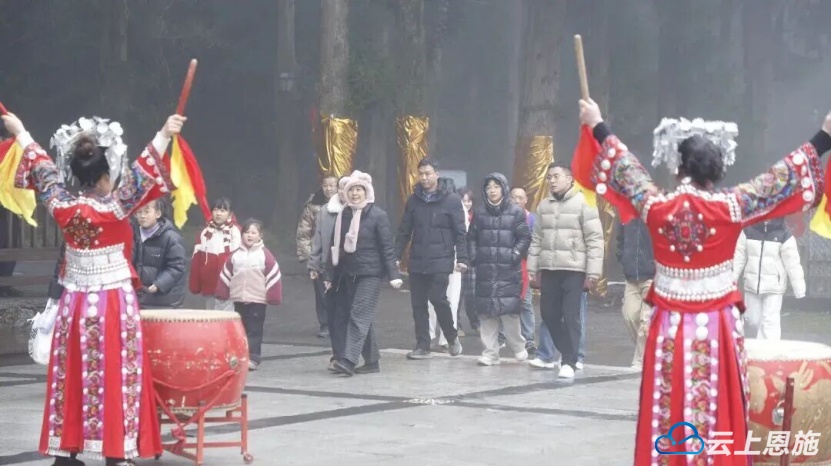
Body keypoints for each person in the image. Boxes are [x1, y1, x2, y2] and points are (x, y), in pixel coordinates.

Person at [577, 98, 831, 463]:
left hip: (669, 327)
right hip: (716, 328)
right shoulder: (731, 206)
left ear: (678, 168)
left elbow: (625, 167)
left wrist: (598, 123)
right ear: (716, 170)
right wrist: (824, 136)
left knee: (669, 403)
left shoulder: (656, 207)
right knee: (717, 403)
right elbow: (781, 176)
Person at [3, 111, 186, 465]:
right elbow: (146, 167)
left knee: (72, 375)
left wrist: (20, 131)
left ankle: (66, 451)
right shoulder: (118, 206)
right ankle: (116, 452)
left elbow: (42, 168)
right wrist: (165, 131)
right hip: (114, 303)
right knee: (116, 374)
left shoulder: (62, 205)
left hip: (75, 304)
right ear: (106, 175)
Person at [527, 161, 604, 379]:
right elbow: (537, 239)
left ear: (569, 179)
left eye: (556, 176)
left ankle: (569, 361)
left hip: (574, 270)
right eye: (549, 177)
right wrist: (532, 267)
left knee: (571, 316)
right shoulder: (544, 206)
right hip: (549, 269)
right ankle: (570, 353)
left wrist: (593, 272)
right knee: (548, 314)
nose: (551, 181)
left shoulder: (584, 203)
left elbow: (595, 239)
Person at [325, 171, 402, 376]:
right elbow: (335, 247)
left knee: (358, 315)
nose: (355, 194)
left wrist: (394, 275)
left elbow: (387, 247)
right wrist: (329, 275)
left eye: (359, 189)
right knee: (361, 316)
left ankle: (348, 360)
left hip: (371, 274)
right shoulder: (343, 215)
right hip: (350, 273)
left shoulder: (378, 215)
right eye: (352, 190)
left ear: (366, 191)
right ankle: (372, 361)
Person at [395, 158, 468, 360]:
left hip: (442, 258)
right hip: (417, 258)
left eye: (428, 173)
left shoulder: (451, 200)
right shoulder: (414, 200)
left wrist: (462, 258)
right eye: (421, 174)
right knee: (418, 303)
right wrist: (395, 256)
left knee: (438, 298)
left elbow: (460, 233)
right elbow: (404, 231)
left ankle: (451, 336)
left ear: (437, 173)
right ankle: (423, 345)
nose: (424, 177)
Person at [467, 173, 531, 366]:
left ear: (503, 188)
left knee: (509, 312)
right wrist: (474, 257)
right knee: (487, 313)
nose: (492, 190)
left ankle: (519, 347)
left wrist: (514, 254)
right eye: (488, 187)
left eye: (496, 186)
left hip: (508, 270)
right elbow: (471, 238)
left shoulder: (516, 212)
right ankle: (490, 353)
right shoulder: (479, 213)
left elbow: (524, 237)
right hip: (485, 269)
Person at [216, 218, 283, 371]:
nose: (250, 235)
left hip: (257, 300)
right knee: (241, 329)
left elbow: (273, 275)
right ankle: (241, 355)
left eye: (253, 232)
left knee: (254, 330)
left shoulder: (265, 255)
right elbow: (226, 274)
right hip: (238, 299)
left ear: (260, 235)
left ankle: (253, 357)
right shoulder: (235, 255)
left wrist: (274, 296)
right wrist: (222, 292)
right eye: (246, 232)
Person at [733, 218, 806, 340]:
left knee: (770, 321)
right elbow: (738, 256)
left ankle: (770, 349)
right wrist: (731, 279)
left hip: (774, 286)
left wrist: (799, 289)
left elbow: (792, 262)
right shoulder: (748, 231)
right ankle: (757, 344)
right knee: (752, 320)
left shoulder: (784, 233)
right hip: (751, 283)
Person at [308, 176, 349, 370]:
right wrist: (314, 265)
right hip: (328, 267)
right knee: (332, 312)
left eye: (346, 187)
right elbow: (317, 240)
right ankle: (338, 355)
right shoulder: (324, 211)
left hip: (352, 269)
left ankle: (352, 354)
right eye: (340, 187)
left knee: (349, 313)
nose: (342, 191)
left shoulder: (361, 211)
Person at [297, 175, 339, 338]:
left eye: (332, 185)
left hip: (338, 255)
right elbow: (304, 233)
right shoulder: (313, 205)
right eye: (326, 185)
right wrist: (309, 258)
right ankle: (325, 324)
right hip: (319, 256)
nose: (329, 189)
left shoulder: (344, 204)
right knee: (321, 293)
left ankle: (339, 323)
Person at [132, 198, 187, 309]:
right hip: (137, 298)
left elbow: (177, 267)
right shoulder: (132, 235)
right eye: (139, 212)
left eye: (147, 211)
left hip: (164, 300)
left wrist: (160, 284)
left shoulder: (171, 238)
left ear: (158, 214)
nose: (142, 216)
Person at [616, 216, 655, 369]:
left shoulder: (656, 211)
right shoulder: (626, 213)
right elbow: (620, 239)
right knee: (630, 316)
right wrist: (624, 259)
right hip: (631, 276)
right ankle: (650, 352)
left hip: (652, 276)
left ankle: (639, 363)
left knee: (647, 320)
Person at [189, 197, 241, 311]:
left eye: (223, 210)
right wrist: (195, 285)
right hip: (209, 285)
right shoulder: (205, 233)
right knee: (210, 317)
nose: (218, 214)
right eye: (216, 210)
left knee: (226, 318)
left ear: (230, 214)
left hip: (230, 286)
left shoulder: (236, 232)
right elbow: (197, 260)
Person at [509, 186, 538, 355]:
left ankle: (529, 339)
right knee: (505, 301)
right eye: (514, 197)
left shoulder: (532, 219)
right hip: (506, 266)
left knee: (526, 302)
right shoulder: (503, 217)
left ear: (526, 200)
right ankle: (503, 336)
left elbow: (535, 244)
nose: (517, 201)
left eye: (521, 198)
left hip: (525, 266)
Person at [458, 187, 480, 333]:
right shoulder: (455, 215)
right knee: (457, 294)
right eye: (463, 200)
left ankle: (475, 322)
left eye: (469, 201)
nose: (466, 204)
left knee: (472, 293)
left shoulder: (476, 216)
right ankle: (456, 325)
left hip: (472, 260)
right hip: (457, 259)